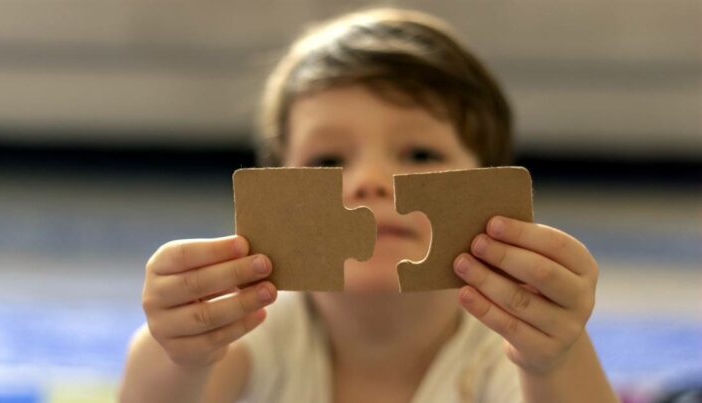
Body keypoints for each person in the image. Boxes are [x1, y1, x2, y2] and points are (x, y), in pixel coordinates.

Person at [119, 7, 619, 403]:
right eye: (327, 160)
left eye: (420, 153)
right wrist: (180, 355)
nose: (372, 182)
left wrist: (554, 359)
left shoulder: (509, 349)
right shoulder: (253, 330)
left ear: (489, 184)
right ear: (278, 188)